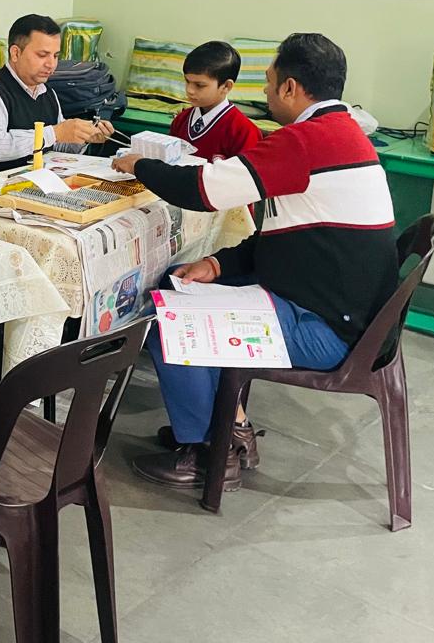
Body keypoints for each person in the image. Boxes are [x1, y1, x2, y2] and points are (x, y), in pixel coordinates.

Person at [112, 33, 397, 491]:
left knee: (171, 319)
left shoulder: (305, 141)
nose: (264, 91)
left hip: (328, 330)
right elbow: (284, 235)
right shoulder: (343, 133)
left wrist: (138, 165)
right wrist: (218, 265)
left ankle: (209, 454)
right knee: (181, 282)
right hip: (342, 311)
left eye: (268, 81)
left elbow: (201, 189)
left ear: (290, 88)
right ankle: (226, 428)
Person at [0, 14, 115, 173]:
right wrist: (55, 132)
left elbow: (56, 146)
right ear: (15, 53)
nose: (51, 64)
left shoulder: (48, 92)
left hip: (37, 181)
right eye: (42, 55)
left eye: (55, 56)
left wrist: (83, 137)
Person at [169, 41, 260, 161]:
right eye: (187, 81)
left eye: (199, 85)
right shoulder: (181, 120)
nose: (189, 90)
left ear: (226, 86)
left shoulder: (244, 132)